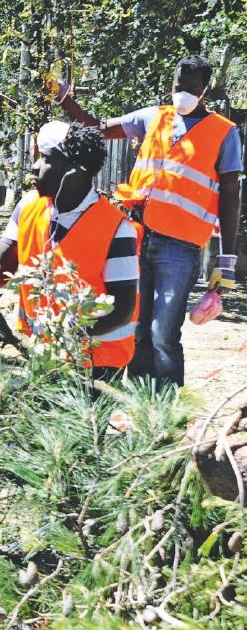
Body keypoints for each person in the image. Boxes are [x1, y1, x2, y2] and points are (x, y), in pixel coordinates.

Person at [57, 56, 242, 388]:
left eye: (191, 89)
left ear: (206, 91)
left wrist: (227, 258)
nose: (182, 94)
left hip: (181, 248)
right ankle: (142, 409)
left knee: (163, 333)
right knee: (137, 330)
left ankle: (168, 411)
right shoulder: (153, 117)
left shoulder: (225, 133)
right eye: (178, 87)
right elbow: (99, 129)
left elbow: (230, 194)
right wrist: (65, 99)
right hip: (138, 237)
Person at [0, 121, 139, 380]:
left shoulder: (117, 228)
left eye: (46, 158)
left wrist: (67, 331)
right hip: (42, 355)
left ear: (76, 169)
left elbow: (122, 310)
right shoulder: (28, 206)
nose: (35, 166)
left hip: (97, 363)